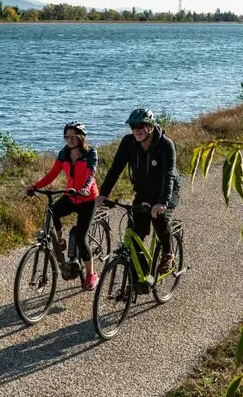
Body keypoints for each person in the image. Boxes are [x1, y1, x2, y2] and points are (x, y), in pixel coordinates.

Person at [100, 107, 179, 287]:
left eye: (140, 125)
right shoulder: (128, 143)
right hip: (143, 191)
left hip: (167, 191)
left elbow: (169, 175)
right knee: (135, 238)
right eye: (133, 126)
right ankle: (144, 280)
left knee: (158, 218)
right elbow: (115, 169)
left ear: (150, 126)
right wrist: (103, 193)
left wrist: (162, 202)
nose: (136, 129)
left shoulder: (166, 145)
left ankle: (168, 253)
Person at [26, 121, 100, 289]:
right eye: (67, 136)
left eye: (74, 136)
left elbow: (91, 174)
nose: (70, 139)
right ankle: (60, 240)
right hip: (71, 195)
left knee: (81, 239)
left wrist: (86, 188)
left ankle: (91, 274)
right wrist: (35, 186)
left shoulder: (90, 153)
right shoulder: (63, 154)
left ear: (81, 137)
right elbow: (52, 175)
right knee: (52, 211)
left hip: (87, 199)